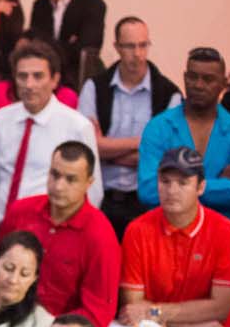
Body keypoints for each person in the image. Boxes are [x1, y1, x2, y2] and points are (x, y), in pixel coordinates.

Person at [120, 146, 230, 327]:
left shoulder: (226, 231)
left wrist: (154, 313)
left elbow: (220, 307)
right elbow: (133, 307)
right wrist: (189, 325)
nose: (172, 190)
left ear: (201, 187)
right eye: (165, 181)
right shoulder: (137, 230)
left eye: (182, 182)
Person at [0, 141, 120, 327]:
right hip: (5, 321)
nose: (59, 186)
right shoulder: (20, 212)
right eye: (54, 175)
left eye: (71, 179)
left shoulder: (100, 235)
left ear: (89, 183)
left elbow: (98, 312)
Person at [78, 18, 182, 237]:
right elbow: (87, 148)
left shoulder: (169, 94)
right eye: (130, 46)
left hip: (145, 201)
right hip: (100, 198)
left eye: (143, 45)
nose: (138, 53)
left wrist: (106, 151)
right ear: (116, 47)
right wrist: (144, 141)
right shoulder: (94, 88)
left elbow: (163, 155)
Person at [138, 48, 230, 223]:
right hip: (166, 235)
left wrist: (177, 187)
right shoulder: (159, 127)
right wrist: (217, 181)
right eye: (193, 77)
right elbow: (148, 190)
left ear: (223, 84)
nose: (199, 85)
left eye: (208, 79)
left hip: (219, 237)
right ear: (185, 78)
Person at [0, 39, 102, 218]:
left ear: (55, 80)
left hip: (48, 226)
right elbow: (2, 175)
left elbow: (93, 192)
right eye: (22, 76)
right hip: (3, 223)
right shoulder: (0, 120)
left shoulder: (77, 126)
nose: (29, 85)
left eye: (38, 76)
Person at [27, 0, 107, 90]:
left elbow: (86, 51)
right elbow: (36, 45)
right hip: (43, 83)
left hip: (77, 83)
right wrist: (68, 44)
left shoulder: (93, 4)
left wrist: (49, 46)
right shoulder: (40, 5)